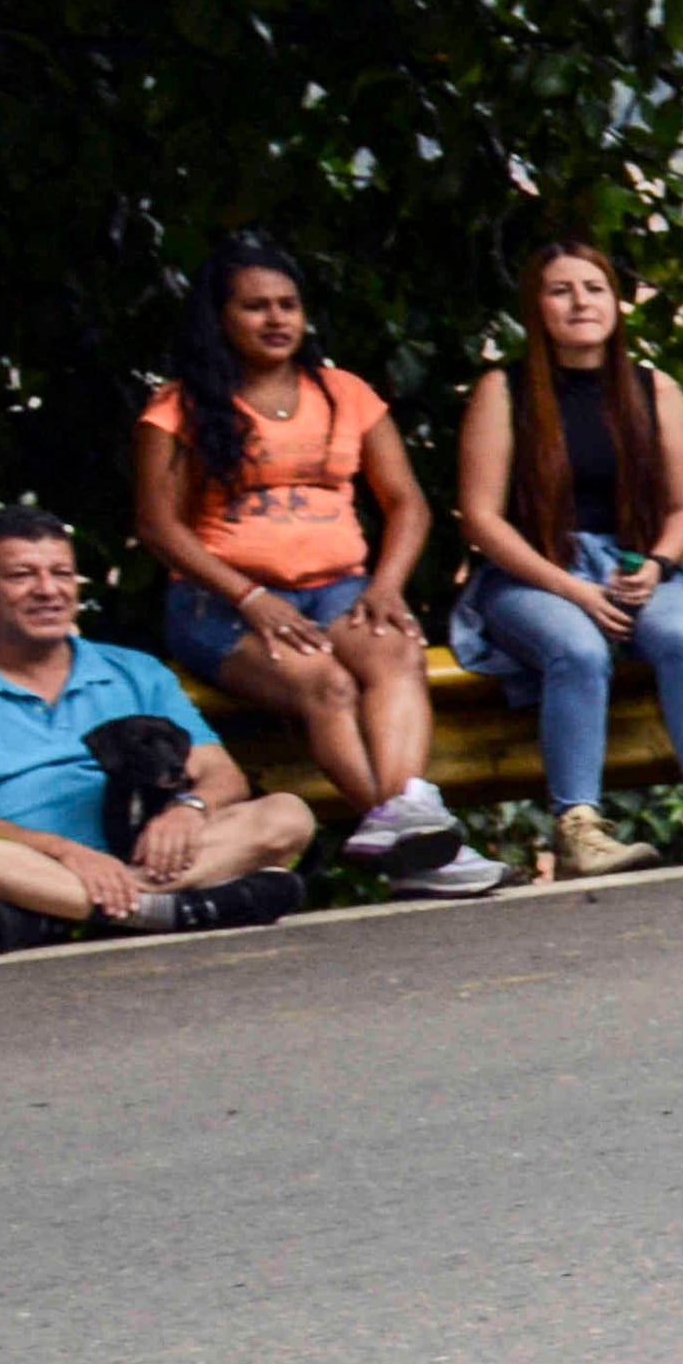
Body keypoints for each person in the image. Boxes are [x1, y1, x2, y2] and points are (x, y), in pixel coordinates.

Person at [128, 232, 513, 897]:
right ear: (221, 318)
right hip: (220, 602)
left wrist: (388, 584)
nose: (277, 319)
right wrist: (251, 597)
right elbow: (157, 525)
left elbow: (407, 503)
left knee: (394, 649)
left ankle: (406, 821)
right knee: (327, 684)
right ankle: (424, 847)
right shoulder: (178, 405)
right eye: (255, 306)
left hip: (341, 588)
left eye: (288, 304)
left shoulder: (344, 392)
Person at [447, 241, 683, 876]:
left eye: (594, 288)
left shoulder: (651, 388)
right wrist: (573, 590)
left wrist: (659, 566)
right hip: (534, 568)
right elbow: (480, 517)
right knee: (577, 650)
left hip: (634, 559)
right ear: (536, 308)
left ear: (617, 303)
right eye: (561, 290)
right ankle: (579, 826)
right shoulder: (504, 390)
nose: (581, 302)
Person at [0, 508, 320, 950]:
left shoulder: (135, 671)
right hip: (26, 864)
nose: (47, 590)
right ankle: (169, 910)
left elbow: (224, 776)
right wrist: (64, 852)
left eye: (62, 573)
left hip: (144, 855)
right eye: (22, 575)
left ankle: (72, 915)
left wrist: (188, 809)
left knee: (286, 814)